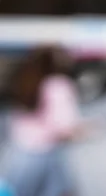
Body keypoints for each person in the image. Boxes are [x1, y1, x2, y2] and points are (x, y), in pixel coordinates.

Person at [2, 46, 85, 196]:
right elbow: (65, 127)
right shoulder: (58, 85)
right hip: (48, 154)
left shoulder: (25, 80)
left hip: (21, 154)